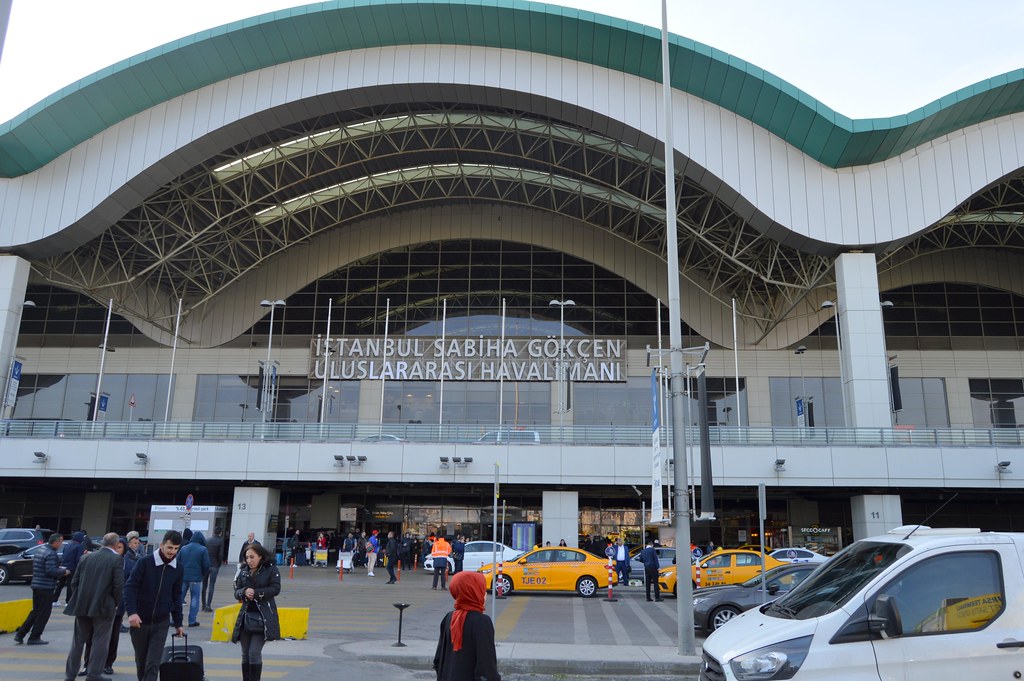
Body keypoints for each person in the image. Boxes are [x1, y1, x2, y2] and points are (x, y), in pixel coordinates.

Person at [62, 532, 124, 681]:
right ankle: (94, 674)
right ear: (116, 545)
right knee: (100, 641)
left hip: (82, 604)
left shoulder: (85, 558)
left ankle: (70, 675)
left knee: (78, 641)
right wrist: (115, 603)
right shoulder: (116, 560)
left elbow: (74, 582)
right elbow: (118, 586)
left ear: (103, 542)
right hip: (104, 607)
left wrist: (81, 596)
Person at [124, 530, 185, 681]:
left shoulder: (178, 568)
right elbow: (130, 587)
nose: (173, 552)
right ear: (162, 544)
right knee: (142, 662)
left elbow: (177, 596)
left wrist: (178, 623)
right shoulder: (145, 562)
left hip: (161, 622)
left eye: (176, 548)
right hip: (140, 621)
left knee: (153, 663)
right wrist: (132, 612)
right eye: (170, 547)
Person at [432, 571, 501, 681]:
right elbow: (486, 667)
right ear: (473, 592)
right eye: (482, 590)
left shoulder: (449, 617)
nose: (485, 594)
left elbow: (438, 660)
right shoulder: (481, 622)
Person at [232, 541, 281, 681]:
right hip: (246, 618)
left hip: (263, 617)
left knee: (254, 652)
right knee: (245, 654)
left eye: (252, 557)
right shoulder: (243, 571)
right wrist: (243, 592)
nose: (249, 560)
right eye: (247, 557)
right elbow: (236, 592)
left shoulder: (271, 569)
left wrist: (257, 593)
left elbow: (275, 589)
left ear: (260, 556)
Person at [15, 533, 68, 645]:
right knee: (44, 613)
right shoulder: (51, 554)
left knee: (36, 611)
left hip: (37, 585)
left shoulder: (41, 550)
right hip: (46, 586)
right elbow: (50, 571)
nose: (61, 544)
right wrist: (64, 572)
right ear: (56, 542)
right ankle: (34, 637)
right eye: (61, 542)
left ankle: (20, 634)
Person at [178, 530, 210, 627]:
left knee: (179, 598)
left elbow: (177, 561)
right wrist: (202, 574)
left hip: (183, 577)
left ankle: (174, 619)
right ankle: (192, 621)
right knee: (195, 599)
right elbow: (206, 564)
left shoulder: (184, 548)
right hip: (196, 578)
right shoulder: (203, 549)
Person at [55, 531, 87, 605]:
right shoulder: (79, 546)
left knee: (60, 584)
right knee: (70, 585)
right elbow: (78, 559)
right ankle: (68, 601)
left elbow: (64, 555)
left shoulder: (67, 545)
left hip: (63, 566)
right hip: (72, 568)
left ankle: (54, 600)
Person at [202, 527, 225, 612]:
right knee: (211, 585)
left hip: (206, 565)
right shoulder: (220, 540)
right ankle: (208, 605)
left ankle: (203, 605)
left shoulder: (207, 540)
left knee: (204, 586)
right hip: (214, 565)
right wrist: (218, 564)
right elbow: (220, 555)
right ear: (220, 533)